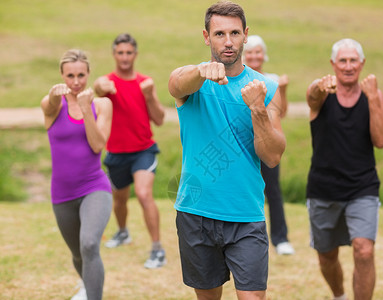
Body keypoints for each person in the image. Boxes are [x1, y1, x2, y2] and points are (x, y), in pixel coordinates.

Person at [168, 1, 286, 299]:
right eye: (219, 34)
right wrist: (201, 74)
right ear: (207, 37)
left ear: (246, 35)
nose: (228, 41)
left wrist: (257, 108)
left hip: (245, 214)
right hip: (197, 212)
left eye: (235, 33)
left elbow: (272, 155)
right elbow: (175, 84)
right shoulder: (193, 81)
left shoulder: (266, 88)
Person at [305, 38, 383, 300]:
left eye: (353, 60)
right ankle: (340, 295)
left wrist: (374, 99)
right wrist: (320, 86)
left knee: (364, 250)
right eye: (342, 60)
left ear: (362, 63)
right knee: (327, 256)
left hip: (362, 187)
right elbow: (312, 96)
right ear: (333, 64)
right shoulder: (322, 94)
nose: (348, 65)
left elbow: (382, 141)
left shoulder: (372, 95)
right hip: (323, 188)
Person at [41, 49, 113, 300]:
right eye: (70, 75)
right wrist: (52, 94)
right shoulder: (51, 105)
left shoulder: (102, 105)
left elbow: (97, 145)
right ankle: (87, 285)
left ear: (88, 74)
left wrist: (85, 110)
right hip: (62, 193)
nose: (75, 81)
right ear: (61, 75)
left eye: (81, 75)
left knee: (90, 244)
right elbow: (49, 103)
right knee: (78, 253)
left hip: (95, 187)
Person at [93, 33, 166, 269]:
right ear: (114, 55)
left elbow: (160, 119)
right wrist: (99, 86)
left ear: (135, 54)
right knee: (120, 199)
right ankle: (123, 232)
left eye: (129, 52)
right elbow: (97, 87)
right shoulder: (107, 83)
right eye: (120, 52)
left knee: (144, 195)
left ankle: (157, 250)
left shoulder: (146, 82)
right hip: (116, 152)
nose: (125, 57)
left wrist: (149, 97)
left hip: (143, 150)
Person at [243, 35, 294, 255]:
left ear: (264, 55)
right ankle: (249, 237)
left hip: (268, 142)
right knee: (246, 191)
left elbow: (283, 113)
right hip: (245, 145)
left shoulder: (272, 80)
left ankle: (281, 238)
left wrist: (283, 90)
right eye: (250, 52)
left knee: (273, 190)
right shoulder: (238, 78)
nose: (254, 56)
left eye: (258, 52)